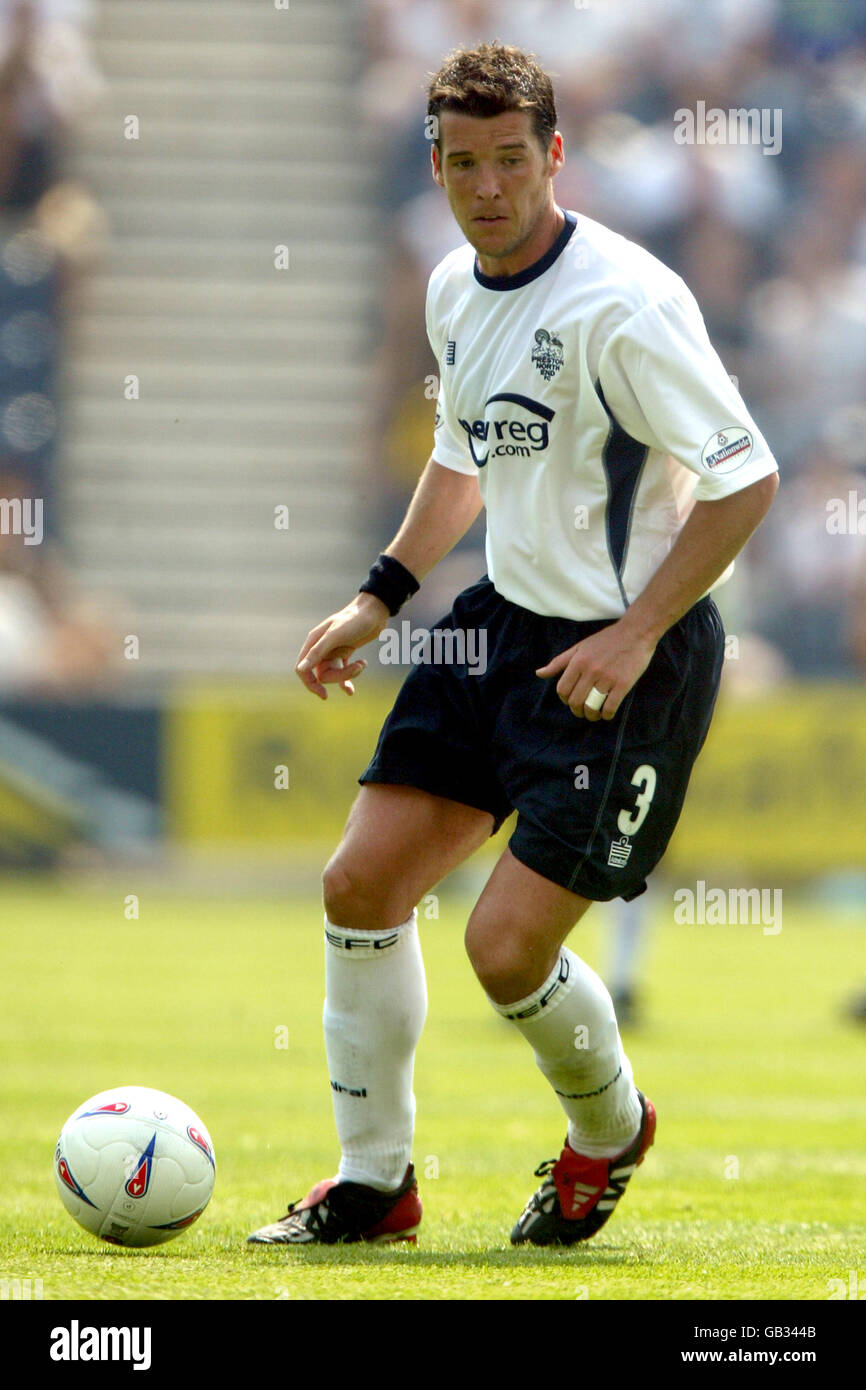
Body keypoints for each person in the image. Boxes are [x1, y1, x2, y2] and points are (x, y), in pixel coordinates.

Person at [248, 43, 779, 1248]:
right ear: (434, 162)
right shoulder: (450, 286)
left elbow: (745, 479)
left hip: (622, 658)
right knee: (358, 883)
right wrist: (381, 596)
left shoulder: (622, 303)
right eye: (463, 163)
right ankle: (374, 1186)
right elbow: (463, 455)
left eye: (510, 162)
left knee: (500, 952)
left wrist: (638, 633)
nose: (487, 188)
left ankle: (606, 1130)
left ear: (553, 156)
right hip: (496, 624)